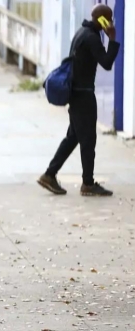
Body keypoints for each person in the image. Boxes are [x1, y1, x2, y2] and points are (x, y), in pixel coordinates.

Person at [38, 4, 120, 197]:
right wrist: (113, 40)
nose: (111, 23)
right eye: (109, 19)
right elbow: (107, 63)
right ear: (102, 20)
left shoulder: (82, 32)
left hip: (77, 94)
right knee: (88, 139)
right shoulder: (91, 38)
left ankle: (49, 174)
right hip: (83, 96)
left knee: (74, 137)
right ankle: (88, 184)